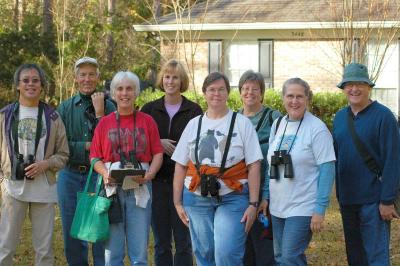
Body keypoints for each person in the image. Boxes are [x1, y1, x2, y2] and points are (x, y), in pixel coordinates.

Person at [172, 72, 263, 266]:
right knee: (205, 253)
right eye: (212, 90)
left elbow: (254, 165)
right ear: (204, 93)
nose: (216, 94)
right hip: (196, 197)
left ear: (228, 93)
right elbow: (180, 165)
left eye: (221, 89)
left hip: (233, 196)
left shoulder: (242, 124)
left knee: (227, 253)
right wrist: (178, 202)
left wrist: (253, 204)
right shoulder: (193, 124)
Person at [90, 71, 163, 265]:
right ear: (113, 93)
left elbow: (157, 153)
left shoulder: (147, 121)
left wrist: (150, 174)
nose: (124, 93)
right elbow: (94, 157)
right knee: (112, 252)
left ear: (136, 92)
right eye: (120, 89)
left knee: (139, 252)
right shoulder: (104, 123)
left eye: (129, 88)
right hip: (112, 189)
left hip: (140, 187)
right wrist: (105, 174)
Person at [0, 63, 69, 265]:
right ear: (18, 86)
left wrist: (46, 164)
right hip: (12, 189)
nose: (31, 84)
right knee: (5, 246)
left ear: (42, 86)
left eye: (35, 80)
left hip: (44, 190)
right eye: (26, 80)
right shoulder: (4, 116)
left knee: (44, 249)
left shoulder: (53, 117)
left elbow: (64, 154)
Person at [333, 63, 400, 265]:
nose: (354, 89)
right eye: (349, 84)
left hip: (375, 201)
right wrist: (339, 195)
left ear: (369, 87)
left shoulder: (384, 116)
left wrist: (387, 200)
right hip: (348, 200)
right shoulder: (339, 118)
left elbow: (393, 160)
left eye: (360, 84)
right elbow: (337, 157)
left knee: (376, 257)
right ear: (344, 88)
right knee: (355, 257)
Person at [267, 78, 335, 265]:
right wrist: (265, 197)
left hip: (303, 206)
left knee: (290, 257)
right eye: (290, 96)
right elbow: (270, 165)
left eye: (299, 96)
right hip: (277, 206)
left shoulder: (317, 129)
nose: (294, 101)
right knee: (280, 258)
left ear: (307, 99)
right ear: (283, 98)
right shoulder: (278, 124)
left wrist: (320, 210)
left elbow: (327, 169)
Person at [141, 59, 202, 266]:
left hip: (184, 185)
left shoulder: (194, 111)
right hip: (156, 183)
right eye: (167, 76)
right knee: (161, 242)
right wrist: (157, 143)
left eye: (175, 77)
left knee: (184, 241)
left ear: (181, 80)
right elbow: (138, 141)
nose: (170, 81)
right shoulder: (149, 109)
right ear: (162, 79)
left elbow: (199, 145)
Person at [57, 57, 116, 266]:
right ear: (75, 78)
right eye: (82, 74)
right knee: (72, 228)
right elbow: (58, 146)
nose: (87, 79)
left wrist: (100, 113)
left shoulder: (110, 106)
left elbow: (112, 143)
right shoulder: (65, 108)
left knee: (100, 227)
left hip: (99, 175)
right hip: (70, 174)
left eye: (92, 74)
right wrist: (86, 146)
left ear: (98, 77)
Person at [238, 70, 280, 266]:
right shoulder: (233, 119)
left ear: (262, 93)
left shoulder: (274, 119)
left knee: (264, 249)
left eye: (255, 88)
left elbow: (281, 156)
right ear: (239, 92)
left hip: (267, 194)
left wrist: (268, 195)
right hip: (238, 193)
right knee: (243, 248)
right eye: (245, 88)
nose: (250, 92)